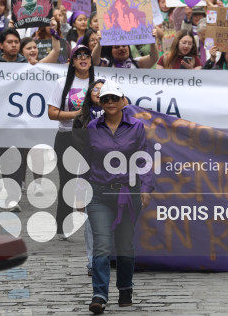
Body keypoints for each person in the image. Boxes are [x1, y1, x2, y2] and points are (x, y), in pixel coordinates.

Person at [75, 79, 152, 314]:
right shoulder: (92, 127)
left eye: (114, 98)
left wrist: (146, 189)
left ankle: (125, 288)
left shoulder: (137, 127)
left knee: (125, 246)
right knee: (102, 245)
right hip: (98, 193)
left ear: (122, 101)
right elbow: (86, 160)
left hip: (128, 194)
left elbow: (144, 160)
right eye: (105, 98)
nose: (109, 102)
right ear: (100, 102)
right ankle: (99, 294)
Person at [47, 43, 94, 240]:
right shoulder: (61, 83)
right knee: (68, 180)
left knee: (91, 180)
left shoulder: (98, 83)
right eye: (78, 55)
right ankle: (63, 226)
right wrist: (77, 114)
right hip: (67, 136)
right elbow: (51, 113)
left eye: (86, 55)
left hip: (91, 138)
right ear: (72, 62)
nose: (83, 58)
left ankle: (93, 224)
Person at [72, 77, 106, 277]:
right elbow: (79, 147)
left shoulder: (121, 117)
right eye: (96, 90)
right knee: (91, 222)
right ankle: (93, 261)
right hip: (90, 169)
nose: (100, 94)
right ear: (89, 95)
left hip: (116, 173)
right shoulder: (81, 119)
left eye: (104, 91)